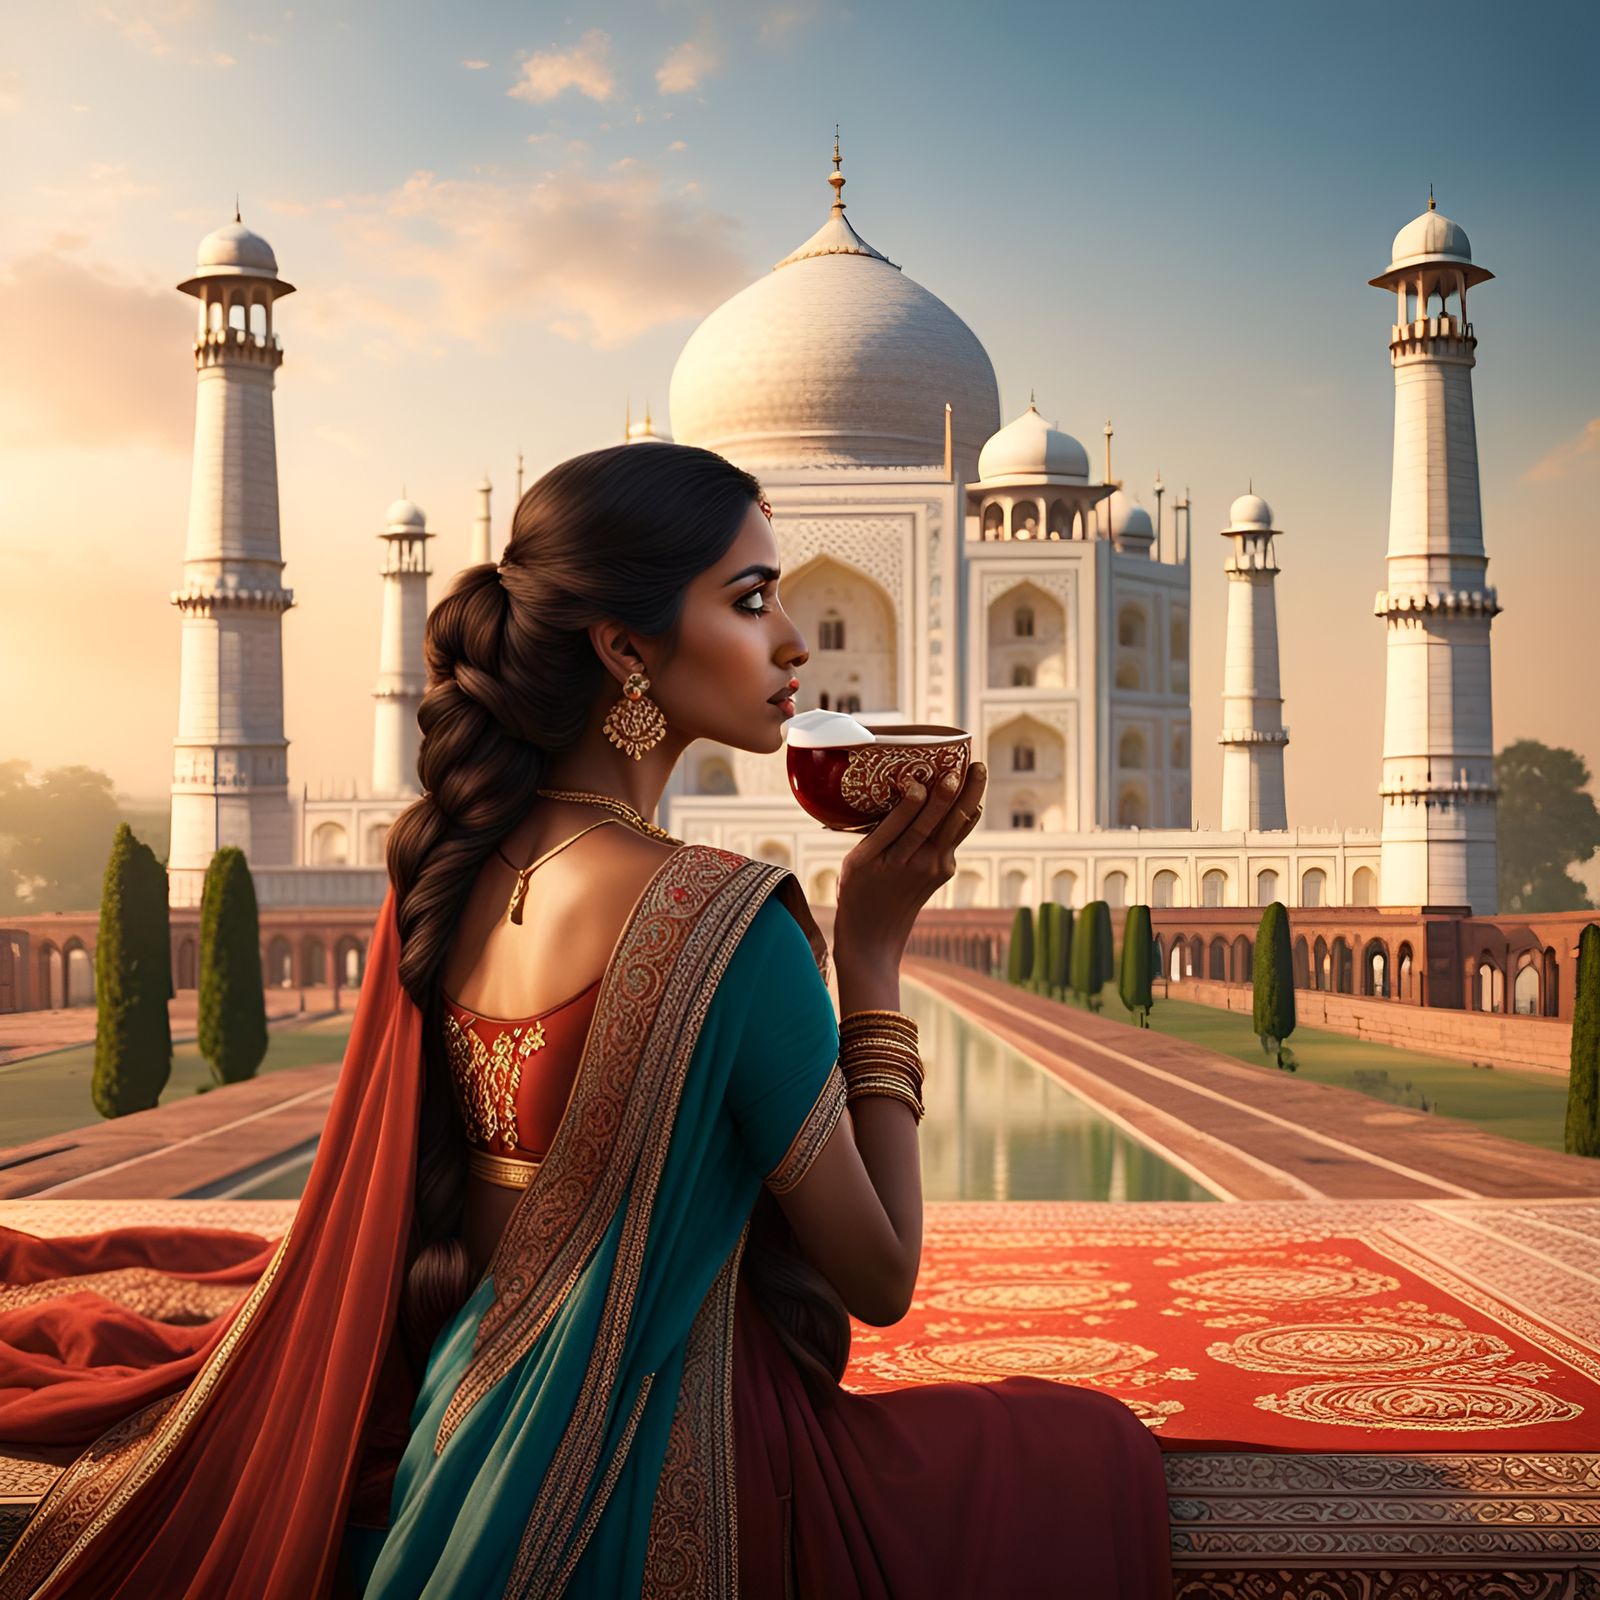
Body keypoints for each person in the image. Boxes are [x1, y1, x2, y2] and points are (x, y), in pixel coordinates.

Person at [0, 443, 1170, 1597]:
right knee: (1077, 1445)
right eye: (750, 599)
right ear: (624, 648)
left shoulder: (449, 864)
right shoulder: (727, 922)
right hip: (686, 1460)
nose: (793, 640)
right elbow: (880, 1274)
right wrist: (870, 956)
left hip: (465, 1423)